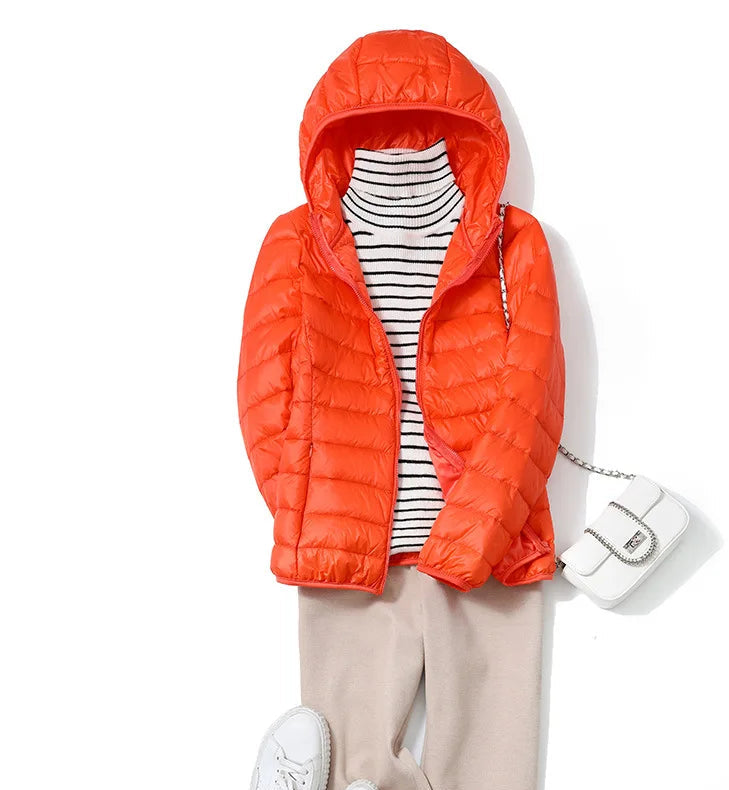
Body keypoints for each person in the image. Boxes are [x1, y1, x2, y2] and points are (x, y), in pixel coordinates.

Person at [239, 28, 565, 790]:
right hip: (352, 562)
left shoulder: (512, 245)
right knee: (345, 763)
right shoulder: (295, 244)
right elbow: (262, 393)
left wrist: (476, 530)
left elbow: (533, 398)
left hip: (490, 561)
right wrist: (312, 510)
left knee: (488, 772)